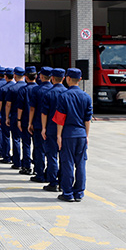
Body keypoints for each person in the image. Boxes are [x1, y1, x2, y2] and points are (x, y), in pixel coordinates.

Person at [54, 68, 93, 202]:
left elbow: (60, 118)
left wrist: (59, 136)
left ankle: (68, 193)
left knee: (68, 163)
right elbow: (87, 119)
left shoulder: (63, 96)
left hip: (68, 134)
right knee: (81, 164)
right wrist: (86, 136)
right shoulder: (86, 97)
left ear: (68, 78)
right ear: (80, 79)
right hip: (81, 134)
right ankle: (79, 192)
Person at [41, 68, 67, 192]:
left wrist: (43, 128)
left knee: (51, 156)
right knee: (63, 157)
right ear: (63, 78)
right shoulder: (67, 93)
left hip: (51, 129)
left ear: (52, 78)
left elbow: (44, 113)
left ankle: (53, 182)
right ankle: (63, 182)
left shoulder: (48, 93)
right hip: (64, 130)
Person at [28, 67, 53, 183]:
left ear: (41, 76)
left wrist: (30, 123)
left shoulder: (36, 90)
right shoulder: (55, 90)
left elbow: (32, 108)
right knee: (51, 152)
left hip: (38, 124)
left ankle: (40, 173)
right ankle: (51, 173)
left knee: (39, 149)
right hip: (53, 125)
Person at [16, 66, 38, 174]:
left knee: (26, 144)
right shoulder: (39, 89)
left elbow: (20, 107)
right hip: (37, 121)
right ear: (36, 76)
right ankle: (37, 167)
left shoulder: (23, 90)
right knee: (37, 145)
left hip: (25, 120)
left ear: (26, 77)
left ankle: (26, 166)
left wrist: (18, 120)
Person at [5, 66, 26, 170]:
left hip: (15, 116)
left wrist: (7, 117)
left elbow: (8, 104)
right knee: (27, 142)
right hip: (27, 117)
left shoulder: (12, 88)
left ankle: (17, 162)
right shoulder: (28, 87)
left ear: (15, 75)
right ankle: (26, 162)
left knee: (16, 139)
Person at [0, 67, 14, 164]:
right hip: (16, 115)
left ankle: (6, 156)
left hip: (4, 114)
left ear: (6, 76)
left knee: (6, 136)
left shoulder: (3, 88)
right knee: (16, 139)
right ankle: (16, 158)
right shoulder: (17, 87)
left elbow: (0, 104)